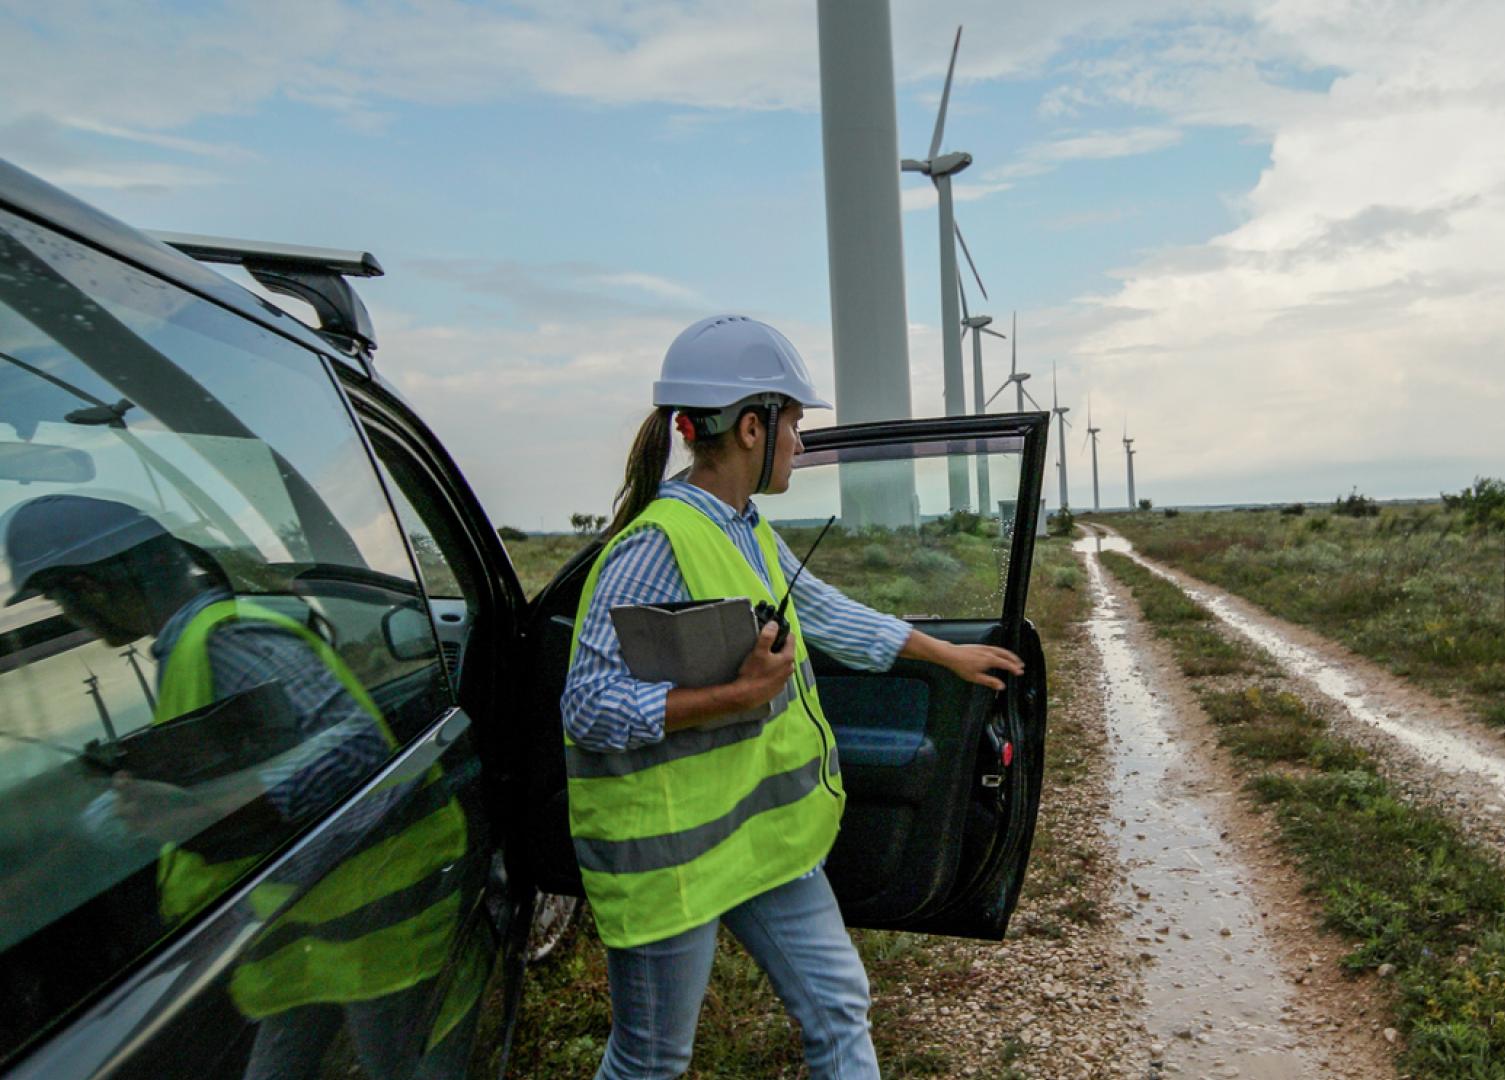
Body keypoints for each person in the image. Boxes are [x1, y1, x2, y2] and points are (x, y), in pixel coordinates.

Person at [562, 315, 1024, 1080]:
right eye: (795, 424)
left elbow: (821, 607)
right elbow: (588, 706)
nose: (801, 443)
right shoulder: (655, 544)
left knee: (840, 1006)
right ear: (751, 426)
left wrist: (942, 653)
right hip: (673, 857)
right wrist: (736, 696)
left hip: (756, 841)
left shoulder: (745, 528)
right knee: (650, 1060)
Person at [2, 495, 473, 1079]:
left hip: (377, 927)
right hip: (303, 934)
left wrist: (205, 810)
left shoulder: (229, 639)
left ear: (86, 586)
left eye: (57, 599)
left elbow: (355, 751)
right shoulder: (191, 646)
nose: (70, 616)